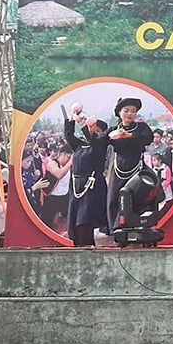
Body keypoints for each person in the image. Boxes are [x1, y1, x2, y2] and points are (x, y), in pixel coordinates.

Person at [63, 105, 110, 247]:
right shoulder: (80, 146)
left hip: (93, 188)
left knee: (85, 223)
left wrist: (85, 125)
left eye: (97, 130)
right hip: (77, 188)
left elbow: (93, 140)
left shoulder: (100, 146)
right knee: (75, 226)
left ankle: (88, 251)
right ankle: (80, 249)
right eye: (92, 128)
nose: (93, 131)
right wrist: (73, 117)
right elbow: (69, 135)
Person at [107, 96, 153, 234]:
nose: (129, 114)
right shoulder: (113, 129)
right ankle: (117, 230)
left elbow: (147, 139)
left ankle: (138, 228)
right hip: (119, 167)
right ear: (119, 113)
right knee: (114, 198)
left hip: (137, 167)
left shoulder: (141, 127)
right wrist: (89, 129)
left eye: (133, 111)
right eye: (126, 110)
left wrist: (130, 136)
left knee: (138, 198)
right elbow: (99, 141)